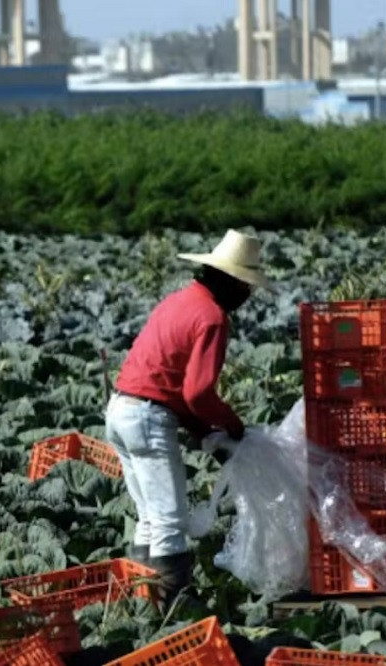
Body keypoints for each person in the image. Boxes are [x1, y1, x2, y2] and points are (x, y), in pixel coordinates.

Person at [104, 229, 274, 611]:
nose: (246, 296)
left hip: (120, 410)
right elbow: (197, 392)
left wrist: (203, 432)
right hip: (148, 418)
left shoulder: (177, 301)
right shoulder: (213, 317)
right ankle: (171, 608)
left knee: (148, 518)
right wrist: (233, 427)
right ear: (229, 281)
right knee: (169, 521)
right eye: (245, 286)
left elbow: (173, 386)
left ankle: (143, 606)